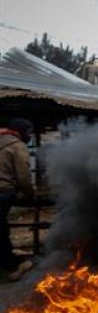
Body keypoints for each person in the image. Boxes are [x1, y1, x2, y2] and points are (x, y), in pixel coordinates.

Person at [0, 118, 35, 282]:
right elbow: (23, 177)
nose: (30, 136)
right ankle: (12, 267)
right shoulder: (17, 146)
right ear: (20, 131)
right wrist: (30, 195)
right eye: (29, 132)